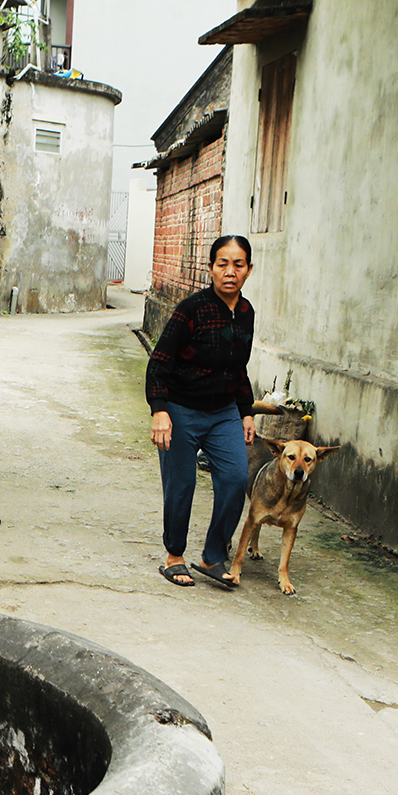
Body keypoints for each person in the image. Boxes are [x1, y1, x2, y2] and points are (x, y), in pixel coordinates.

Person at [143, 235, 257, 590]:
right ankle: (174, 556)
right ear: (210, 269)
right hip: (181, 409)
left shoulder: (247, 313)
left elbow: (238, 368)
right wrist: (160, 410)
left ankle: (211, 556)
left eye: (238, 265)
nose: (230, 272)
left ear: (249, 270)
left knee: (236, 478)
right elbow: (159, 362)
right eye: (222, 264)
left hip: (223, 411)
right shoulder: (190, 310)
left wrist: (246, 411)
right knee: (182, 484)